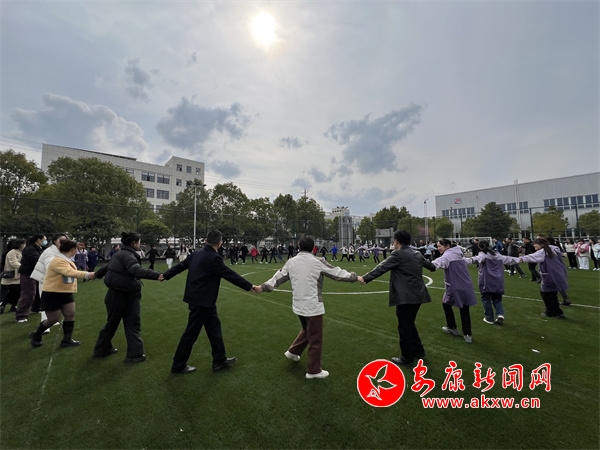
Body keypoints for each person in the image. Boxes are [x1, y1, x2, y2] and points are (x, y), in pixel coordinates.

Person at [257, 235, 362, 379]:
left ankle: (293, 352)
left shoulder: (291, 262)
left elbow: (278, 277)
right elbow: (337, 273)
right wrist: (356, 277)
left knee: (307, 329)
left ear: (299, 247)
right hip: (313, 306)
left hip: (298, 305)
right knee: (316, 338)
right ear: (313, 248)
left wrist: (262, 287)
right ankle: (313, 370)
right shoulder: (318, 261)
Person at [163, 230, 259, 374]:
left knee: (215, 330)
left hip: (202, 301)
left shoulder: (196, 253)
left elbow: (181, 266)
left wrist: (165, 275)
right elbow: (230, 275)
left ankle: (219, 360)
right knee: (191, 334)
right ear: (219, 243)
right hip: (202, 301)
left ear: (206, 240)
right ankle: (178, 365)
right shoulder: (214, 258)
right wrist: (250, 286)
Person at [360, 230, 435, 366]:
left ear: (396, 241)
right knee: (409, 322)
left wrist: (365, 278)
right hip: (419, 294)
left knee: (405, 326)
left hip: (405, 296)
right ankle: (418, 350)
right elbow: (431, 266)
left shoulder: (398, 254)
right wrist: (433, 267)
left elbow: (381, 268)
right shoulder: (417, 253)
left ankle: (407, 357)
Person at [93, 232, 163, 362]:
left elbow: (107, 266)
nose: (140, 244)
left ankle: (103, 349)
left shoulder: (119, 254)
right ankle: (132, 355)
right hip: (124, 295)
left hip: (117, 294)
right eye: (139, 242)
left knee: (113, 323)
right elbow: (135, 269)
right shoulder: (128, 255)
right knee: (131, 324)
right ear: (134, 243)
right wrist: (157, 275)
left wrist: (96, 275)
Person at [28, 240, 95, 348]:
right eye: (76, 249)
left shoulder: (66, 259)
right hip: (52, 293)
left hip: (65, 292)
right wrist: (87, 275)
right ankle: (37, 334)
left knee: (70, 314)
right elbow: (69, 272)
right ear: (73, 250)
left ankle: (67, 339)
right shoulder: (58, 261)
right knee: (53, 319)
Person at [432, 238, 478, 343]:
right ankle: (467, 335)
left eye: (439, 246)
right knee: (464, 309)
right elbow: (467, 261)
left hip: (454, 286)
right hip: (466, 285)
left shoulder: (447, 256)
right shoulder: (458, 253)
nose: (438, 248)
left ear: (447, 246)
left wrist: (421, 262)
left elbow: (435, 264)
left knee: (446, 304)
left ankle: (452, 327)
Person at [466, 240, 518, 325]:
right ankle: (500, 315)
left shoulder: (483, 255)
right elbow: (509, 259)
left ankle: (489, 318)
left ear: (479, 247)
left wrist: (461, 260)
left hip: (486, 280)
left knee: (486, 298)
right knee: (497, 298)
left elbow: (476, 259)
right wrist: (522, 259)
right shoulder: (497, 255)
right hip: (498, 280)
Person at [518, 237, 567, 319]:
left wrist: (518, 259)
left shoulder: (542, 252)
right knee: (553, 294)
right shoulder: (554, 249)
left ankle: (552, 312)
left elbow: (530, 257)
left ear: (542, 245)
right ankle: (558, 312)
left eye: (536, 246)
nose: (535, 249)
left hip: (549, 275)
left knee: (547, 294)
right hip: (558, 273)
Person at [16, 234, 50, 323]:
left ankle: (36, 308)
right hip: (28, 274)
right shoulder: (30, 249)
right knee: (28, 294)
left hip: (37, 273)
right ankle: (21, 315)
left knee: (39, 292)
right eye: (44, 239)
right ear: (39, 240)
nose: (45, 241)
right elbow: (37, 260)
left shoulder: (40, 248)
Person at [1, 239, 25, 314]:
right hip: (11, 276)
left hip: (18, 276)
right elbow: (13, 263)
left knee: (17, 292)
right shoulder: (12, 253)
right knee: (10, 292)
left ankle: (13, 306)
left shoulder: (20, 252)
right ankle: (3, 305)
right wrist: (24, 267)